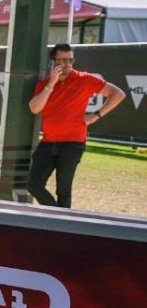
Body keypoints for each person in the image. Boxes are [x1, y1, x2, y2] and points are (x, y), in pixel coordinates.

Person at [27, 43, 125, 208]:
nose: (67, 64)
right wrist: (51, 83)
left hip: (73, 143)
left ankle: (62, 225)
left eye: (70, 60)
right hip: (48, 142)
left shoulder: (85, 79)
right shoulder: (44, 84)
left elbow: (118, 94)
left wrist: (96, 115)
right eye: (62, 60)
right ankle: (60, 217)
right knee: (33, 185)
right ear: (53, 61)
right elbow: (35, 108)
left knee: (63, 190)